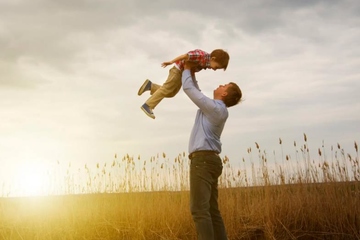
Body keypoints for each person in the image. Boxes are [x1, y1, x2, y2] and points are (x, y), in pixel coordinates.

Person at [182, 61, 242, 240]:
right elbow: (198, 93)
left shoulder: (216, 108)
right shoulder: (214, 108)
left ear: (224, 93)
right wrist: (192, 73)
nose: (221, 85)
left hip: (203, 161)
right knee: (211, 211)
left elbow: (190, 91)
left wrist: (186, 69)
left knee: (199, 210)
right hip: (209, 160)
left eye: (225, 85)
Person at [137, 49, 230, 119]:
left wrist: (195, 86)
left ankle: (150, 86)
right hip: (177, 71)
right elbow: (185, 56)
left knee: (171, 93)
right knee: (166, 89)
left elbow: (192, 71)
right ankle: (148, 105)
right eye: (216, 67)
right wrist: (171, 62)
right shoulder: (201, 55)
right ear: (213, 59)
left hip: (181, 73)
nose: (214, 69)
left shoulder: (206, 63)